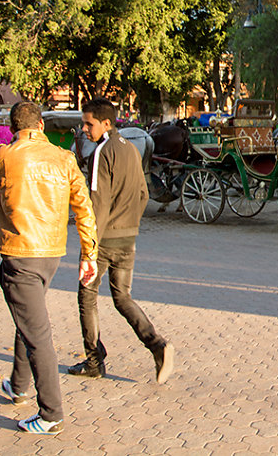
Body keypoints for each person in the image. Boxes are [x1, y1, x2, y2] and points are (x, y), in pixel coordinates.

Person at [0, 102, 99, 435]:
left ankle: (51, 413)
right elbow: (84, 208)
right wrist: (89, 253)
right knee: (28, 317)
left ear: (14, 128)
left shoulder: (6, 155)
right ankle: (18, 384)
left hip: (20, 252)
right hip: (51, 252)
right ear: (41, 125)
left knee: (37, 334)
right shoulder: (64, 158)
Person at [68, 97, 174, 384]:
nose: (85, 129)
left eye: (88, 124)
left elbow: (98, 202)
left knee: (87, 295)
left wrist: (89, 249)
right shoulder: (129, 149)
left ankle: (94, 360)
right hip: (128, 237)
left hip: (104, 239)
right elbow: (143, 193)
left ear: (106, 123)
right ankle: (157, 345)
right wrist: (130, 223)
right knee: (123, 298)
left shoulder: (102, 152)